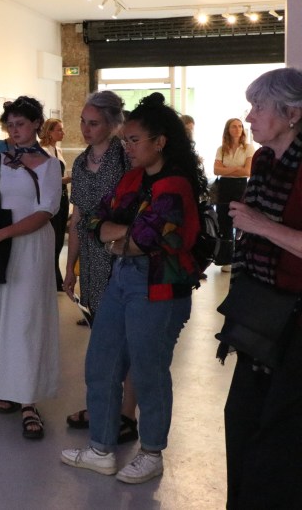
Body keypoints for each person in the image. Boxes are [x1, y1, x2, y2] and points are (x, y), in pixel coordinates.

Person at [61, 92, 204, 484]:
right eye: (126, 140)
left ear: (160, 142)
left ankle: (152, 452)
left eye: (135, 140)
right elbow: (94, 220)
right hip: (123, 278)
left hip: (159, 287)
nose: (127, 147)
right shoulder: (133, 178)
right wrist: (121, 236)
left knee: (148, 371)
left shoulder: (174, 186)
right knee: (101, 364)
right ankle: (101, 449)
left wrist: (121, 236)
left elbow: (145, 240)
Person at [223, 68, 302, 508]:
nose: (249, 116)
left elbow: (259, 227)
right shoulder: (265, 161)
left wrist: (261, 225)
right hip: (261, 312)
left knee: (280, 434)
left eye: (258, 107)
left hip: (295, 318)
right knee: (242, 419)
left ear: (292, 113)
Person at [0, 96, 62, 440]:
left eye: (21, 124)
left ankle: (28, 400)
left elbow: (45, 212)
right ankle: (6, 387)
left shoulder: (49, 166)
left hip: (30, 247)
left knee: (25, 319)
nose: (14, 131)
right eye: (10, 125)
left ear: (36, 125)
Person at [61, 91, 137, 442]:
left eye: (93, 123)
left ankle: (126, 414)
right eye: (83, 122)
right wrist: (70, 267)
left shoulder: (125, 158)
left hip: (123, 253)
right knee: (102, 339)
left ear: (112, 124)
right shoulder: (80, 163)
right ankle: (102, 405)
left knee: (127, 338)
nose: (86, 129)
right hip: (92, 259)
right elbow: (77, 218)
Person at [213, 117, 255, 271]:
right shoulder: (221, 149)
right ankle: (226, 260)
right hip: (224, 187)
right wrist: (237, 168)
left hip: (241, 187)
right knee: (224, 222)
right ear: (228, 130)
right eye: (234, 126)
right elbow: (216, 170)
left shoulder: (248, 148)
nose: (238, 129)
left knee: (240, 223)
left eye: (240, 126)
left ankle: (241, 258)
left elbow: (247, 171)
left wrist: (227, 169)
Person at [40, 118, 71, 291]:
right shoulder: (44, 151)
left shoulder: (57, 150)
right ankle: (51, 277)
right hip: (52, 197)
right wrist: (66, 180)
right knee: (52, 238)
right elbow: (46, 179)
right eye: (59, 130)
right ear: (49, 132)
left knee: (59, 238)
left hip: (62, 197)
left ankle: (55, 275)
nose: (63, 133)